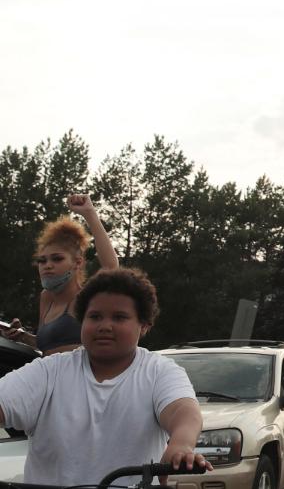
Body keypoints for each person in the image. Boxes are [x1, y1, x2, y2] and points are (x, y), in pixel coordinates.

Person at [0, 268, 211, 486]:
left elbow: (183, 412)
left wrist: (181, 444)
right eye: (95, 316)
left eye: (119, 317)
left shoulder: (160, 371)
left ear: (145, 325)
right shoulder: (48, 371)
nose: (105, 326)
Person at [2, 194, 119, 355]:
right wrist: (22, 336)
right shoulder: (46, 297)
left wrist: (89, 213)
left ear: (77, 262)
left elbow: (111, 267)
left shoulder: (84, 298)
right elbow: (49, 346)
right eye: (42, 261)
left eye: (57, 259)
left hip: (78, 379)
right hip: (47, 379)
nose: (47, 266)